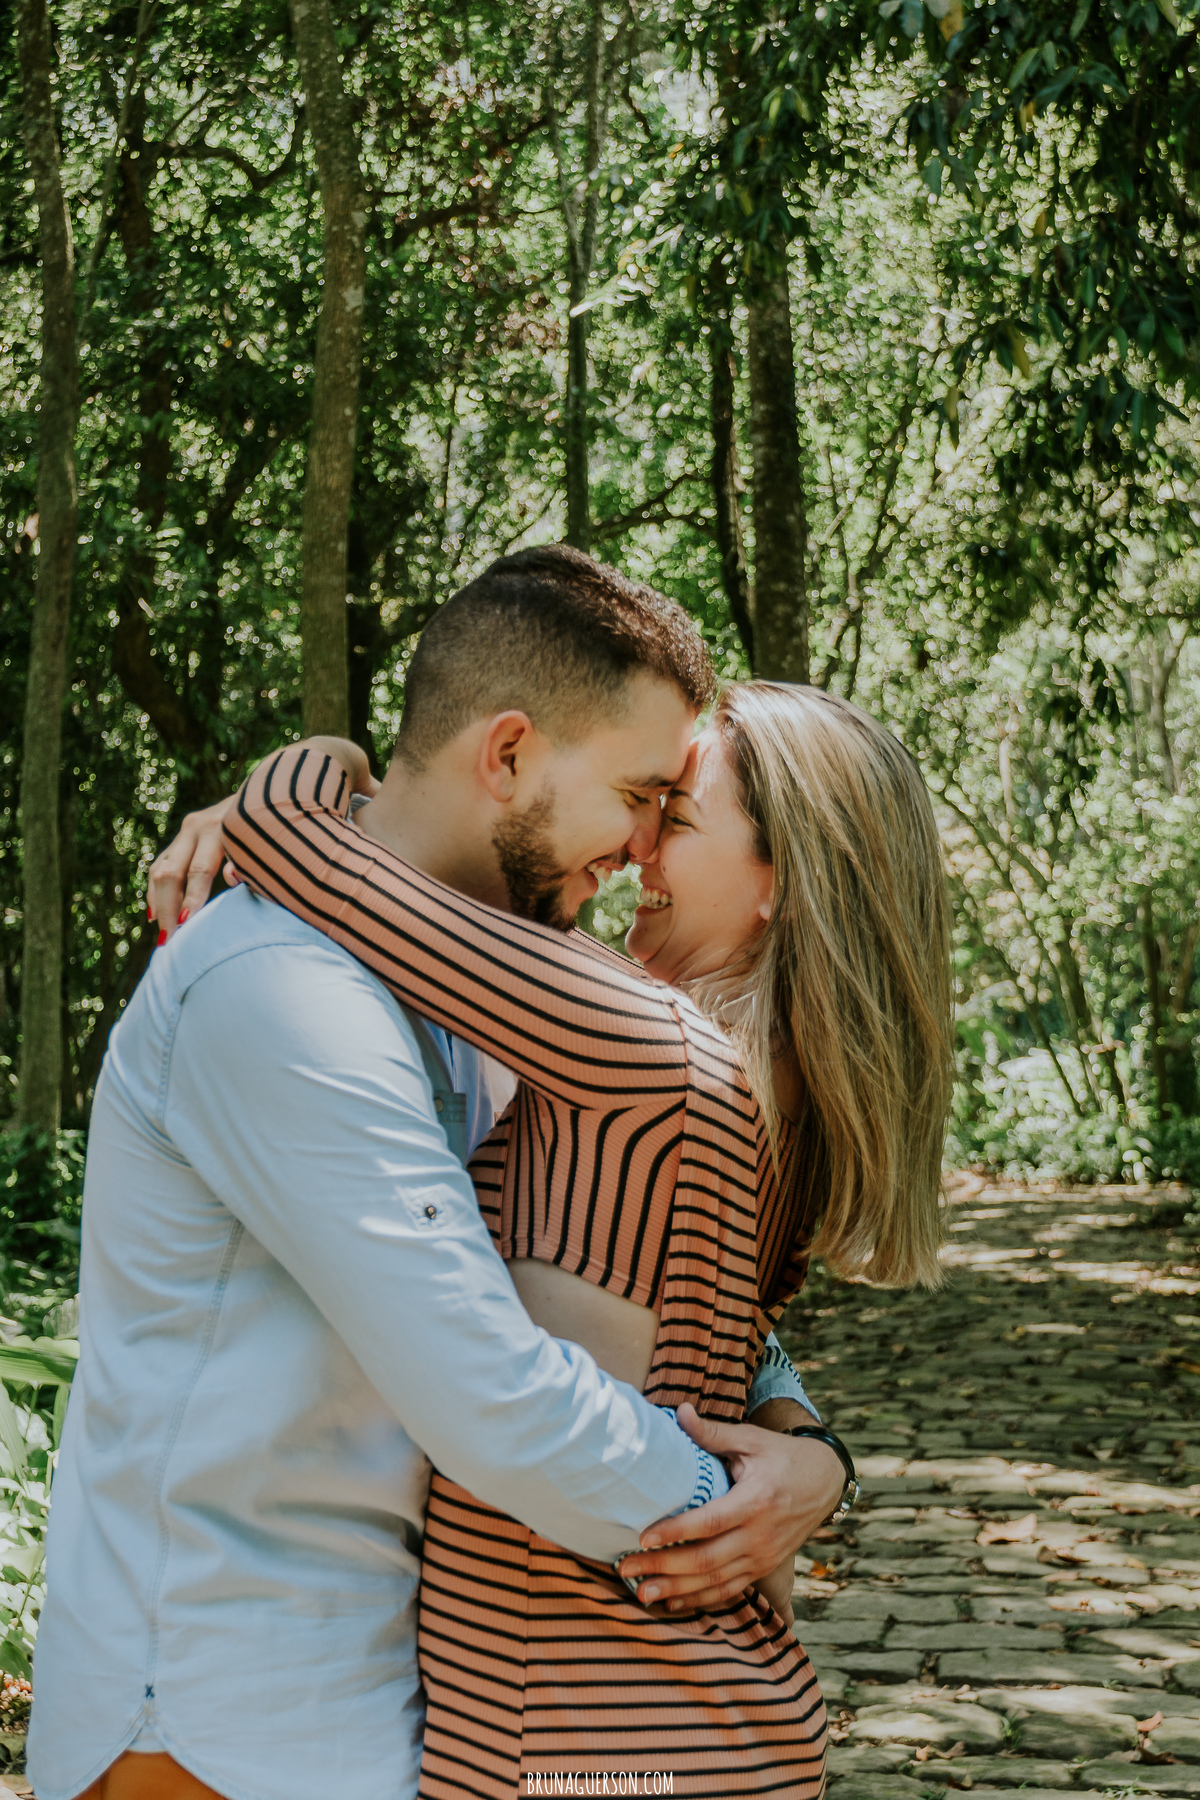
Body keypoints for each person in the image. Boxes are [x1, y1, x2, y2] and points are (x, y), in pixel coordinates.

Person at [28, 549, 836, 1800]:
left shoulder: (493, 982)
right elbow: (493, 1396)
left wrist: (805, 1445)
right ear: (507, 754)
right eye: (637, 795)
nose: (639, 845)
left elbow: (647, 1259)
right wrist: (729, 1503)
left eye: (673, 812)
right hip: (218, 1711)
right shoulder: (278, 988)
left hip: (377, 1698)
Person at [208, 623, 953, 1791]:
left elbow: (300, 845)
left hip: (574, 1738)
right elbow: (715, 1331)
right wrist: (815, 1453)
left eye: (679, 815)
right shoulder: (771, 1103)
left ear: (782, 886)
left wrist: (334, 758)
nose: (639, 846)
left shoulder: (631, 1034)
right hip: (697, 1725)